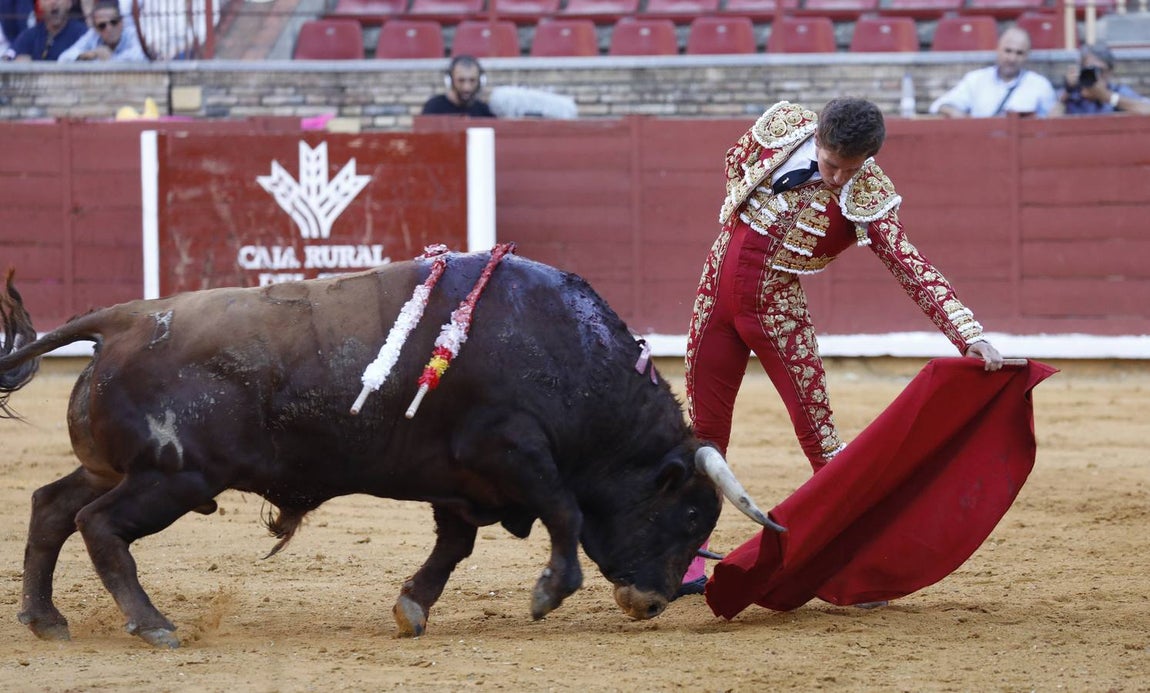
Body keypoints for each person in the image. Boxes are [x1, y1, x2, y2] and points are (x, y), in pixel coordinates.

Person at [678, 98, 1004, 595]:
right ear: (817, 139)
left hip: (777, 310)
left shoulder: (868, 190)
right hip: (715, 293)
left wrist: (969, 334)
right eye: (832, 165)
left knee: (823, 442)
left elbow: (908, 264)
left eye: (850, 171)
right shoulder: (782, 126)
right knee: (703, 437)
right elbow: (734, 161)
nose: (837, 179)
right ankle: (684, 563)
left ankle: (864, 562)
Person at [929, 26, 1056, 118]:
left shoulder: (1040, 85)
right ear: (998, 49)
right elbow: (939, 105)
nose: (1012, 58)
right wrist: (956, 114)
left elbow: (1053, 121)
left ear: (1027, 56)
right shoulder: (976, 80)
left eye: (1019, 53)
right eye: (1008, 51)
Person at [1051, 41, 1150, 116]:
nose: (1096, 76)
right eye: (1089, 70)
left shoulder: (1117, 92)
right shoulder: (1072, 94)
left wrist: (1108, 97)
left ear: (1109, 72)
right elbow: (1048, 124)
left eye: (1099, 71)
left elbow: (1146, 110)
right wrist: (1067, 91)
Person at [57, 0, 147, 62]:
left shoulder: (132, 34)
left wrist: (110, 59)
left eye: (114, 22)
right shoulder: (93, 35)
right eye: (102, 25)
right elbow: (63, 59)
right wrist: (89, 54)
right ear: (96, 29)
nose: (109, 28)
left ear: (121, 22)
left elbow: (141, 57)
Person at [3, 0, 86, 61]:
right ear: (40, 4)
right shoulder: (30, 35)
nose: (54, 2)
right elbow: (8, 56)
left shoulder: (83, 34)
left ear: (69, 3)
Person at [421, 55, 496, 118]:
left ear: (480, 81)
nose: (467, 87)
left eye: (472, 80)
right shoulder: (434, 107)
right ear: (450, 81)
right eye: (461, 80)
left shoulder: (484, 111)